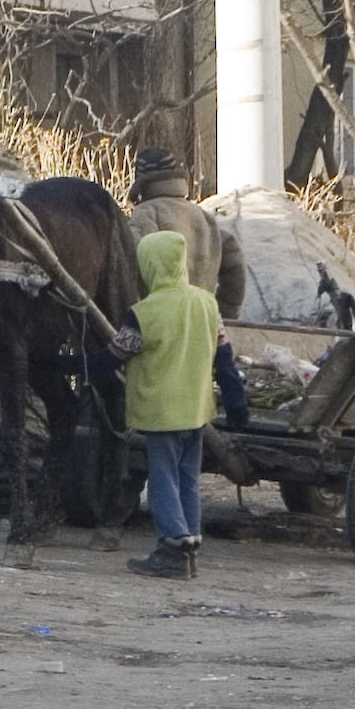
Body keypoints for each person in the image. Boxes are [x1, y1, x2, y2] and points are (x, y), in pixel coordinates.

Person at [123, 225, 221, 579]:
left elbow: (116, 353)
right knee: (187, 478)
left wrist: (72, 364)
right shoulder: (206, 302)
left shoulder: (144, 312)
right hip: (196, 409)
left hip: (160, 411)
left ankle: (172, 547)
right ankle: (191, 542)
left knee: (162, 479)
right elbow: (224, 352)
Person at [125, 146, 249, 318]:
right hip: (203, 322)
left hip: (162, 321)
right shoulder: (203, 216)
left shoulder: (146, 214)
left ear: (141, 183)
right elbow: (235, 263)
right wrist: (225, 311)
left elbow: (132, 263)